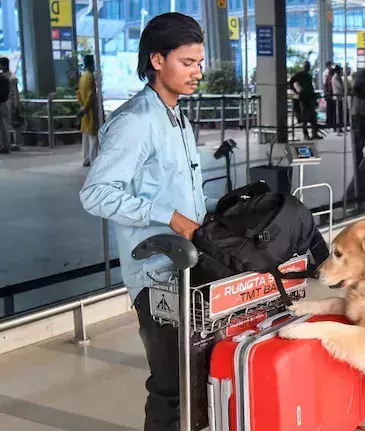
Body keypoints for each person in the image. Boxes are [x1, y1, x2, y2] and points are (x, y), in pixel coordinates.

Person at [79, 13, 216, 431]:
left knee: (199, 383)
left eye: (199, 62)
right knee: (173, 387)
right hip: (156, 276)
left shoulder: (178, 118)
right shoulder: (136, 122)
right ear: (157, 60)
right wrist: (169, 217)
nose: (197, 72)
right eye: (188, 62)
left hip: (190, 270)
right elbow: (95, 194)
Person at [289, 61, 322, 140]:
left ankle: (314, 133)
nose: (308, 68)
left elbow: (310, 86)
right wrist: (296, 91)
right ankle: (305, 134)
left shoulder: (308, 75)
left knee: (313, 117)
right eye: (306, 66)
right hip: (304, 97)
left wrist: (313, 95)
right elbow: (290, 82)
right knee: (304, 117)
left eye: (308, 66)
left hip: (310, 97)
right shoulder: (299, 74)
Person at [77, 55, 99, 167]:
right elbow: (91, 95)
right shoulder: (90, 77)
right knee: (93, 138)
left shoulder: (82, 77)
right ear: (91, 64)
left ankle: (85, 159)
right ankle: (93, 160)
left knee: (85, 137)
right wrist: (86, 108)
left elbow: (79, 94)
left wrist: (81, 107)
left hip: (84, 111)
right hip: (90, 111)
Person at [0, 57, 20, 152]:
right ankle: (7, 143)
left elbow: (15, 92)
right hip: (6, 102)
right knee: (5, 123)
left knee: (10, 123)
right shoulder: (3, 77)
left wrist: (16, 105)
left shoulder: (12, 78)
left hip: (9, 102)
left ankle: (13, 143)